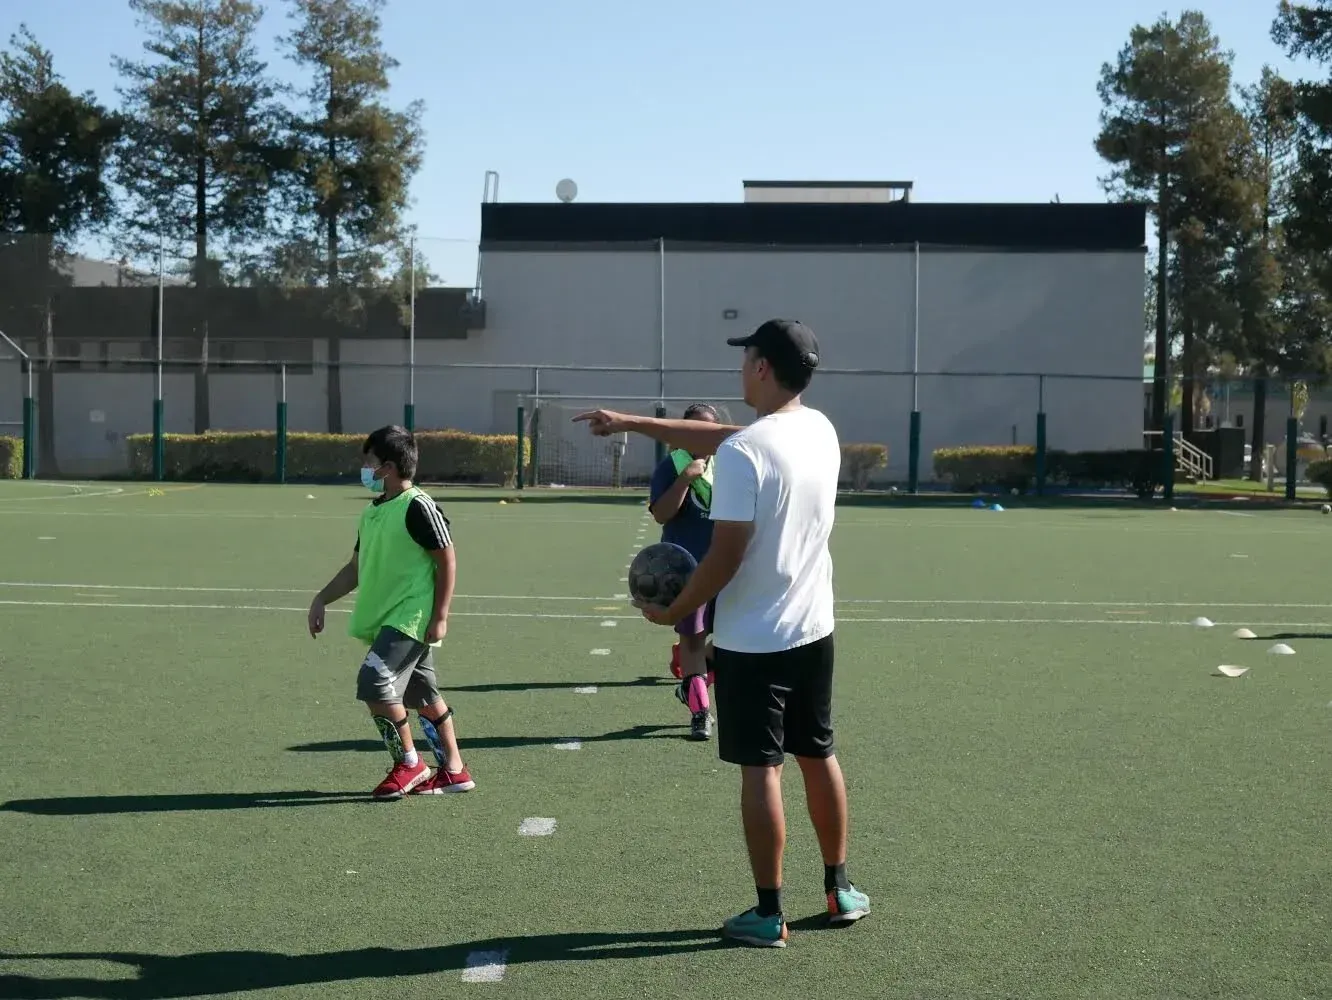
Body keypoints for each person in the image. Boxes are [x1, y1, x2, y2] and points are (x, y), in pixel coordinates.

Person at [575, 319, 869, 948]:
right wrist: (631, 422)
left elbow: (726, 556)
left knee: (762, 770)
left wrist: (672, 609)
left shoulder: (744, 454)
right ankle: (840, 887)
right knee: (818, 753)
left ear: (762, 368)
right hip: (815, 628)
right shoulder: (818, 429)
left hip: (753, 642)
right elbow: (718, 435)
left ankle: (768, 914)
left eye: (746, 359)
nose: (740, 370)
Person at [307, 425, 476, 801]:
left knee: (374, 682)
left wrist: (440, 614)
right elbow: (355, 566)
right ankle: (454, 771)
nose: (363, 469)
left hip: (410, 617)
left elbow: (446, 559)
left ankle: (410, 763)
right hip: (386, 618)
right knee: (424, 695)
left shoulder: (418, 505)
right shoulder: (372, 512)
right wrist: (321, 598)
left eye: (368, 462)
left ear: (386, 467)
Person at [648, 402, 721, 741]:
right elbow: (662, 514)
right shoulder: (671, 466)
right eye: (692, 429)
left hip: (728, 566)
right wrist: (685, 479)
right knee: (692, 641)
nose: (699, 436)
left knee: (736, 644)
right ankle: (700, 713)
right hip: (686, 570)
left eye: (707, 430)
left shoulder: (731, 466)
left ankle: (693, 683)